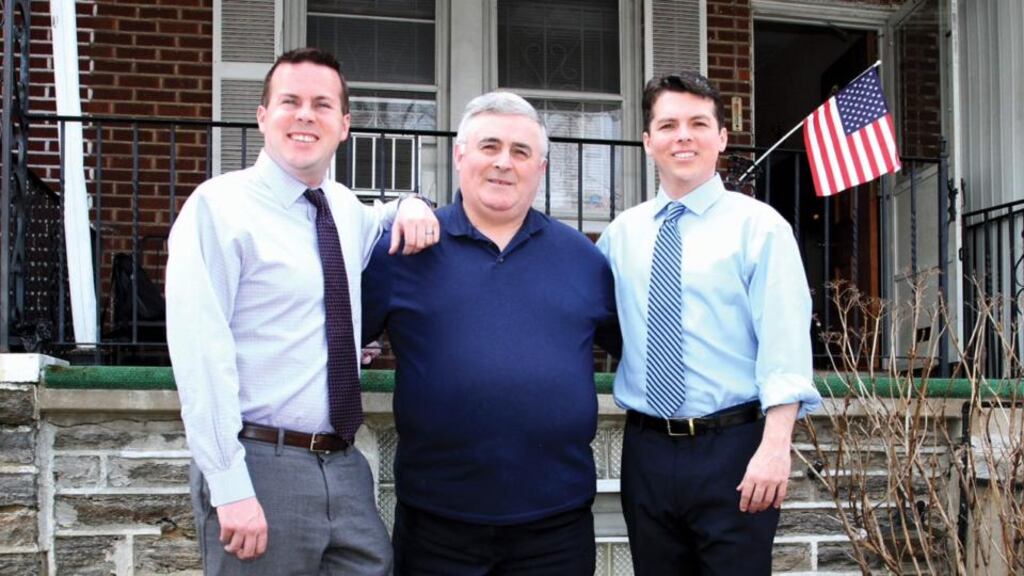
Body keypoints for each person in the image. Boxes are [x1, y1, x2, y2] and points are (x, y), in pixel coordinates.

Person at [165, 47, 439, 575]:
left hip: (343, 464)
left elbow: (383, 219)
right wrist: (228, 483)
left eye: (321, 104)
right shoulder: (219, 208)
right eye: (289, 101)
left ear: (344, 124)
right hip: (261, 461)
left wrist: (412, 203)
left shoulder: (342, 208)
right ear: (264, 115)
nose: (305, 115)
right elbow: (201, 355)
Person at [361, 91, 619, 575]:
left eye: (520, 152)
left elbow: (633, 350)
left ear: (540, 169)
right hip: (437, 524)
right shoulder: (404, 252)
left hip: (556, 526)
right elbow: (344, 338)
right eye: (489, 147)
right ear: (460, 156)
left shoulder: (583, 260)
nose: (504, 163)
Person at [596, 71, 822, 575]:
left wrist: (775, 447)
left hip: (735, 450)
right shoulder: (621, 235)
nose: (684, 136)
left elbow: (784, 346)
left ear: (721, 137)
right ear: (648, 140)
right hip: (647, 452)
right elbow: (606, 326)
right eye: (669, 124)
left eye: (699, 123)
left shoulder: (761, 228)